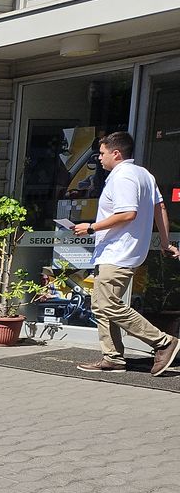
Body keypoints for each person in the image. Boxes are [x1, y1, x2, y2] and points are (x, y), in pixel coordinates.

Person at [73, 131, 180, 375]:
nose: (99, 159)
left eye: (102, 153)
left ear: (116, 153)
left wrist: (91, 227)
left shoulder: (123, 177)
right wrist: (165, 242)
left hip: (116, 252)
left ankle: (163, 342)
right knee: (102, 306)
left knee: (107, 304)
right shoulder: (144, 174)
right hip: (127, 252)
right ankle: (112, 357)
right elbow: (160, 207)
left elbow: (127, 213)